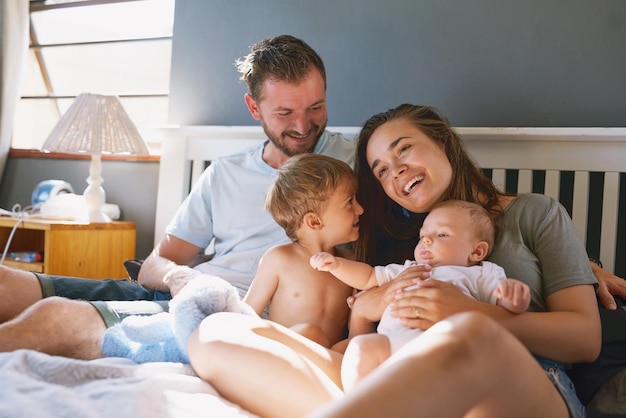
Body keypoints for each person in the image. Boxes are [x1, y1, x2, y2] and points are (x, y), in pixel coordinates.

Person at [187, 104, 601, 418]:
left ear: (444, 143)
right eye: (381, 170)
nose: (396, 172)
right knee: (217, 333)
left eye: (404, 149)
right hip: (400, 370)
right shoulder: (393, 236)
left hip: (520, 381)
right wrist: (365, 311)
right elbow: (359, 331)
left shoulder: (535, 213)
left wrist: (474, 313)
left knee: (473, 336)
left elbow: (585, 338)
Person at [0, 34, 357, 360]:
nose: (302, 125)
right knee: (6, 285)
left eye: (316, 107)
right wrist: (182, 280)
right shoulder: (224, 172)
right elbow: (156, 264)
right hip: (182, 293)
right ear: (254, 108)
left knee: (56, 321)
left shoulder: (360, 162)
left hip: (222, 314)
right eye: (285, 113)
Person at [310, 199, 530, 389]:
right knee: (361, 348)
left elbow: (504, 309)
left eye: (441, 234)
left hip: (443, 348)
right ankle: (363, 407)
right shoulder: (408, 269)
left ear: (476, 251)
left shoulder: (480, 273)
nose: (426, 240)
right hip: (390, 347)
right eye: (422, 235)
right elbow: (368, 277)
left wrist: (514, 298)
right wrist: (336, 265)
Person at [243, 153, 362, 350]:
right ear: (314, 221)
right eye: (350, 202)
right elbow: (246, 316)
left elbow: (355, 327)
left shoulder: (350, 264)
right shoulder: (280, 259)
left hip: (327, 358)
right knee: (309, 332)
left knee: (362, 345)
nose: (360, 209)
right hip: (284, 355)